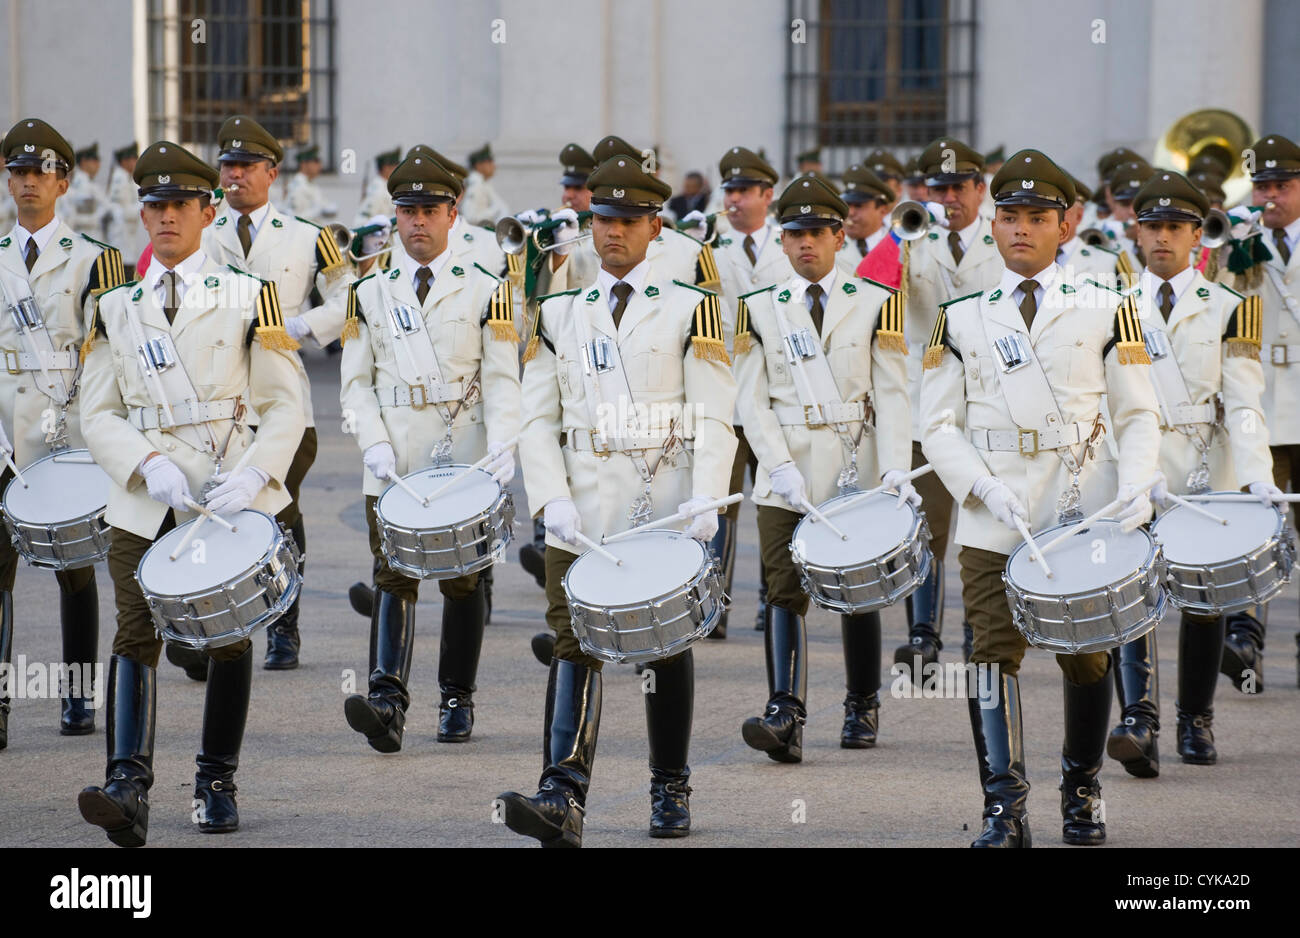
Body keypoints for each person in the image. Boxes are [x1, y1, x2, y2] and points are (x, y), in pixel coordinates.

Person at [920, 149, 1161, 846]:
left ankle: (1081, 792)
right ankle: (1005, 808)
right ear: (993, 226)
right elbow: (935, 424)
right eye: (1010, 216)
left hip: (1081, 511)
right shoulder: (959, 317)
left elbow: (1139, 412)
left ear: (1067, 225)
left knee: (1086, 657)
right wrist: (980, 485)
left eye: (1037, 217)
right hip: (993, 517)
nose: (1021, 229)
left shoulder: (1110, 308)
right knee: (990, 655)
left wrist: (1138, 484)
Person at [497, 155, 736, 845]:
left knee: (664, 650)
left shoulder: (691, 308)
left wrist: (706, 499)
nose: (613, 234)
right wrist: (549, 498)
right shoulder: (559, 312)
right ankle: (562, 794)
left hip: (659, 505)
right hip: (582, 509)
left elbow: (713, 414)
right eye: (603, 220)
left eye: (628, 222)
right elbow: (535, 418)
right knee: (574, 644)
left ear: (654, 227)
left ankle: (669, 789)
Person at [76, 140, 305, 846]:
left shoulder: (247, 295)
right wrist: (144, 461)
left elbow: (285, 403)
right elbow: (97, 412)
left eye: (180, 204)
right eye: (154, 204)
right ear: (141, 213)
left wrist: (258, 473)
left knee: (229, 642)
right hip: (146, 499)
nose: (166, 216)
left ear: (208, 210)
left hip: (222, 491)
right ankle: (127, 785)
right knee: (135, 635)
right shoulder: (117, 305)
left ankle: (215, 782)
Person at [338, 152, 520, 751]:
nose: (417, 222)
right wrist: (374, 445)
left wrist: (502, 442)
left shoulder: (487, 290)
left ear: (453, 214)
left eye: (428, 211)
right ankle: (387, 699)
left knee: (463, 582)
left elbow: (500, 377)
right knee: (392, 577)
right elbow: (354, 384)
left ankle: (456, 697)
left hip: (461, 459)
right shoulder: (369, 291)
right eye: (406, 211)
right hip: (393, 461)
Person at [733, 174, 914, 756]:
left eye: (817, 232)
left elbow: (892, 393)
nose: (805, 243)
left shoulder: (876, 304)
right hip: (786, 470)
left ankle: (862, 705)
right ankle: (785, 713)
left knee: (855, 590)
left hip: (854, 468)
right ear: (781, 242)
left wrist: (894, 469)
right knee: (782, 591)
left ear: (841, 237)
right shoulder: (759, 309)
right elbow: (750, 398)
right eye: (794, 234)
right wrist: (775, 463)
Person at [1114, 170, 1274, 774]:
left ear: (1196, 235)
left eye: (1175, 227)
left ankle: (1196, 719)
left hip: (1207, 466)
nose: (1162, 239)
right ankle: (1140, 722)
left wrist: (1257, 473)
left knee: (1203, 600)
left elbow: (1246, 404)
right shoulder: (1112, 308)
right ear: (1137, 232)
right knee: (1130, 594)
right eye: (1152, 226)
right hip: (1135, 465)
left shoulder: (1233, 308)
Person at [192, 114, 354, 673]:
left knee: (281, 509)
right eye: (227, 166)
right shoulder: (200, 231)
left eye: (245, 166)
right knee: (208, 507)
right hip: (214, 396)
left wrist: (302, 328)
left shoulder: (309, 235)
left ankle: (285, 625)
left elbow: (347, 299)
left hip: (283, 395)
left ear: (271, 173)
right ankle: (207, 628)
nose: (234, 176)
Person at [0, 118, 125, 745]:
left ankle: (77, 695)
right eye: (17, 173)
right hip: (0, 434)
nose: (27, 183)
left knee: (73, 570)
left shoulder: (94, 261)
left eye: (39, 173)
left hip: (62, 434)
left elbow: (108, 354)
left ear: (63, 182)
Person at [892, 137, 1004, 668]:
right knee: (928, 525)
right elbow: (880, 291)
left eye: (960, 186)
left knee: (988, 526)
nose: (950, 197)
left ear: (980, 189)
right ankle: (923, 634)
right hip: (930, 403)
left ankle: (981, 631)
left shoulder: (1003, 237)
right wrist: (898, 241)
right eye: (939, 188)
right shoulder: (911, 234)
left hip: (991, 401)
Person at [1214, 132, 1300, 691]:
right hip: (1259, 407)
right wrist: (1232, 250)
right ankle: (1246, 638)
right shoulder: (1241, 241)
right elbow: (1219, 306)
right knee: (1256, 532)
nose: (1271, 196)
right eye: (1263, 186)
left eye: (1283, 185)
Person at [707, 146, 792, 637]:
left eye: (744, 191)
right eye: (730, 190)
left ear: (767, 195)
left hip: (776, 395)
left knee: (776, 497)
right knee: (717, 504)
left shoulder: (789, 243)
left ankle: (772, 597)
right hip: (724, 391)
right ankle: (714, 603)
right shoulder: (707, 246)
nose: (734, 199)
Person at [837, 163, 894, 273]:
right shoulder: (831, 246)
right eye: (847, 205)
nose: (850, 212)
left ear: (882, 210)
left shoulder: (898, 245)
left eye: (859, 206)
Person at [105, 143, 143, 277]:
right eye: (134, 159)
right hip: (121, 239)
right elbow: (126, 212)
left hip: (128, 239)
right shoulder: (120, 178)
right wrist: (144, 205)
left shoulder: (127, 178)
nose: (136, 162)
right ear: (125, 161)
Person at [460, 143, 509, 227]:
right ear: (479, 165)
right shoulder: (475, 185)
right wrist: (496, 211)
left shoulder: (483, 184)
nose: (494, 166)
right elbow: (470, 216)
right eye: (489, 162)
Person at [285, 145, 338, 221]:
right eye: (315, 161)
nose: (319, 165)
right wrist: (318, 210)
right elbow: (293, 217)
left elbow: (327, 207)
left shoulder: (312, 186)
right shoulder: (296, 187)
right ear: (303, 164)